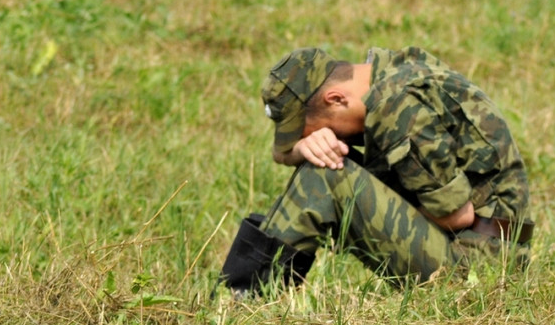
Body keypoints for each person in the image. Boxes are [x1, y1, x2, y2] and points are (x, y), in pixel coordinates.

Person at [219, 46, 533, 294]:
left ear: (336, 99)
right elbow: (282, 152)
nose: (333, 140)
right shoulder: (390, 70)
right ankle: (249, 294)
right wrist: (301, 148)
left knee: (327, 175)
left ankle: (244, 303)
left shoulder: (395, 107)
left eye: (325, 131)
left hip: (480, 271)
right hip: (486, 252)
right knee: (332, 169)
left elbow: (458, 216)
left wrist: (359, 203)